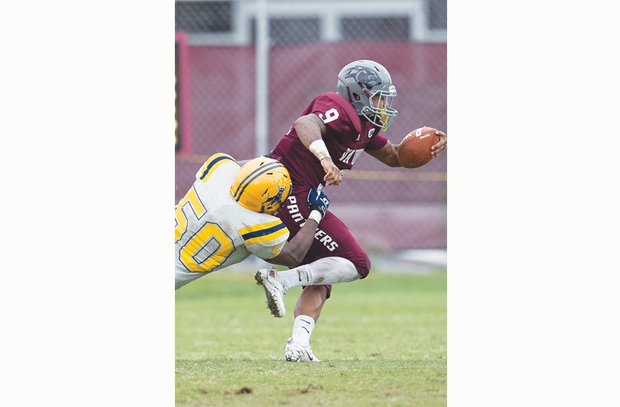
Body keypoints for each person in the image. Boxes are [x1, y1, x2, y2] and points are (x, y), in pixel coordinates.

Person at [254, 59, 447, 362]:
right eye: (379, 97)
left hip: (304, 194)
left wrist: (426, 147)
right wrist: (325, 159)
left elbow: (395, 156)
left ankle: (298, 344)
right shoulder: (337, 107)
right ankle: (282, 281)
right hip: (287, 189)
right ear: (358, 94)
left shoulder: (366, 127)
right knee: (357, 262)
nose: (384, 104)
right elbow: (305, 123)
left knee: (325, 272)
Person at [175, 153, 330, 290]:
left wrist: (266, 159)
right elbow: (294, 255)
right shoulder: (252, 223)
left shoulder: (219, 169)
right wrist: (317, 211)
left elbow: (240, 168)